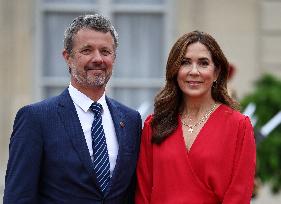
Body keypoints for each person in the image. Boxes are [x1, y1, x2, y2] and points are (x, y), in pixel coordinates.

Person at [4, 14, 142, 204]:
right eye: (87, 50)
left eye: (105, 51)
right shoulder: (35, 118)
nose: (98, 59)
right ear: (68, 57)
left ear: (114, 58)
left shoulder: (131, 120)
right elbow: (18, 197)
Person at [135, 31, 256, 204]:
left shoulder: (239, 126)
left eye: (203, 63)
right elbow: (143, 194)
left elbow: (239, 194)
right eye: (185, 63)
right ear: (175, 70)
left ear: (216, 73)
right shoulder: (154, 125)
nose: (194, 71)